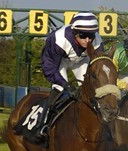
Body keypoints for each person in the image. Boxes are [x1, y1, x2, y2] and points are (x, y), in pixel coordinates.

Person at [33, 11, 99, 142]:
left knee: (92, 90)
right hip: (59, 61)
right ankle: (45, 124)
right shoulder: (58, 39)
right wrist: (67, 85)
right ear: (75, 33)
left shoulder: (97, 40)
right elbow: (49, 68)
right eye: (83, 35)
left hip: (81, 61)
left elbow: (99, 64)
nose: (88, 40)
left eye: (90, 36)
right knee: (60, 88)